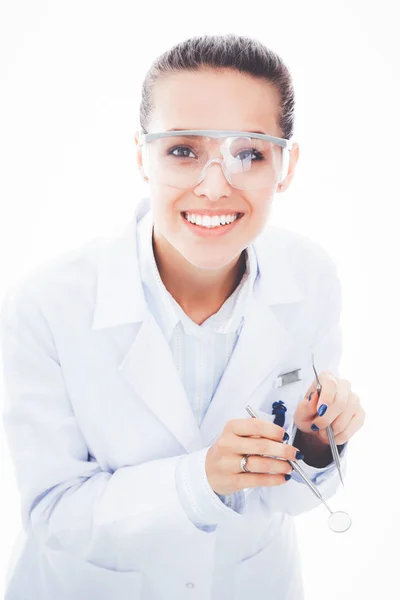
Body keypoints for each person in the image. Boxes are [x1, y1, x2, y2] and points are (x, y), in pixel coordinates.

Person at [0, 33, 365, 600]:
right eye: (183, 150)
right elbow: (52, 514)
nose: (214, 185)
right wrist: (199, 481)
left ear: (285, 166)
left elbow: (288, 499)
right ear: (141, 158)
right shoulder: (49, 303)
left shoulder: (310, 278)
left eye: (249, 153)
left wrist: (318, 445)